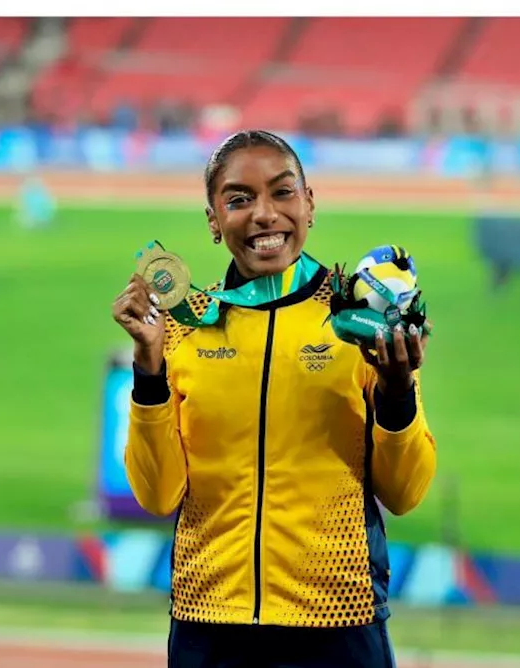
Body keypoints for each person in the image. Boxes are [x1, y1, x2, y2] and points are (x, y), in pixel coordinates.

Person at [113, 129, 436, 668]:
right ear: (214, 221)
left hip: (338, 618)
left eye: (282, 193)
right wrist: (149, 371)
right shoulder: (181, 327)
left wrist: (397, 393)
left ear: (309, 204)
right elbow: (157, 494)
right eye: (239, 199)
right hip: (208, 622)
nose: (264, 214)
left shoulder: (360, 317)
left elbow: (404, 493)